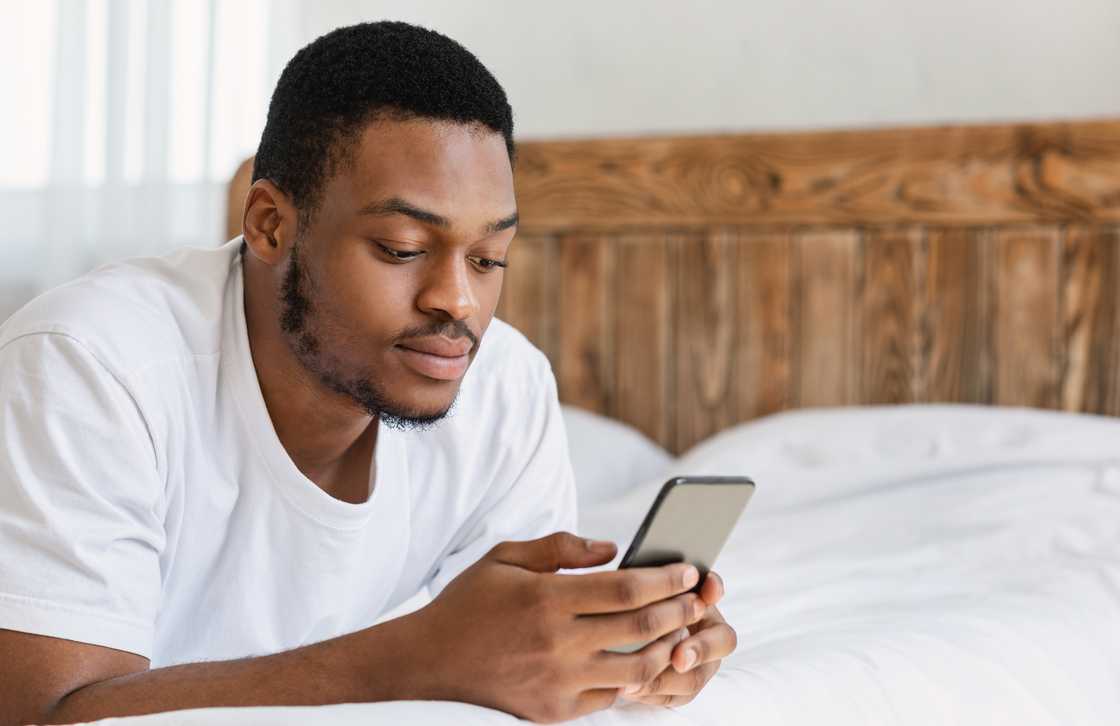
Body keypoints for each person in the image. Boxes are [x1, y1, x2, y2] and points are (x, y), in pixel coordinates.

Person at [0, 21, 736, 725]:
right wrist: (408, 660)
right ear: (270, 225)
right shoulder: (89, 365)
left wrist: (621, 652)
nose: (458, 300)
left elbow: (507, 654)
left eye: (489, 259)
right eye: (401, 247)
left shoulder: (504, 388)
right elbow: (40, 716)